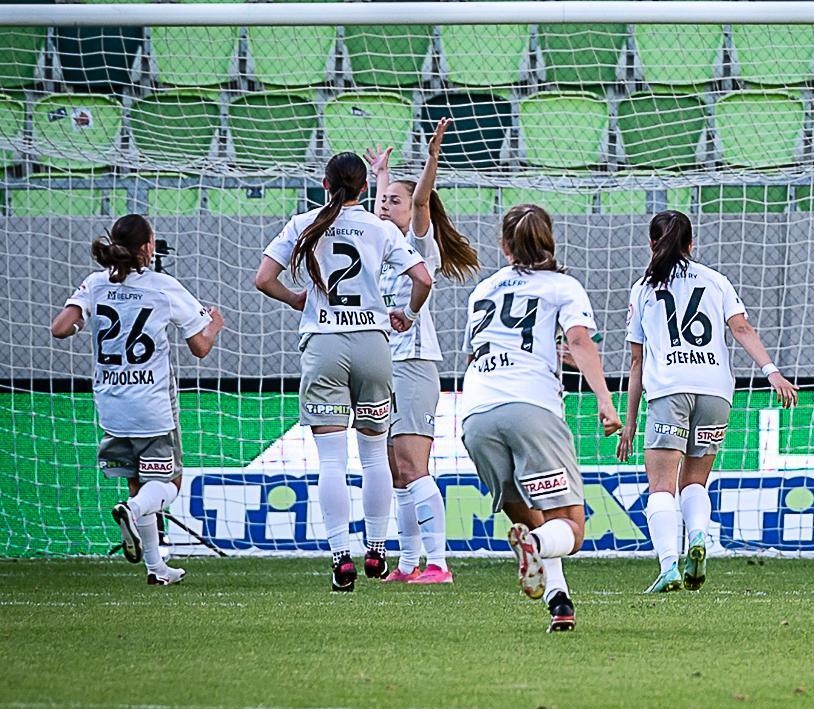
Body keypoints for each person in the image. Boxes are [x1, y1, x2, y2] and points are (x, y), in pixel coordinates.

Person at [255, 152, 433, 592]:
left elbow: (263, 279)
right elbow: (424, 279)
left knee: (332, 460)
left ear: (325, 183)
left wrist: (295, 298)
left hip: (324, 345)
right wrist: (409, 315)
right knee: (374, 456)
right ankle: (377, 548)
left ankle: (340, 558)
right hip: (373, 345)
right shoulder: (380, 228)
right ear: (364, 189)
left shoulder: (304, 223)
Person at [616, 211, 797, 594]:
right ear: (691, 244)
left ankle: (669, 565)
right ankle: (697, 536)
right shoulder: (716, 281)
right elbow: (742, 328)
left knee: (661, 486)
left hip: (669, 390)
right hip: (716, 391)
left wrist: (629, 421)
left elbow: (636, 361)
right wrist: (772, 372)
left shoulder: (643, 289)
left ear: (651, 244)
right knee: (695, 481)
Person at [460, 204, 621, 631]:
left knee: (532, 516)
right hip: (530, 408)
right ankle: (533, 544)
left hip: (475, 414)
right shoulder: (562, 286)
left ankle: (558, 600)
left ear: (504, 245)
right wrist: (605, 401)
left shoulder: (483, 290)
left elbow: (484, 352)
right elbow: (580, 341)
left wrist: (549, 352)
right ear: (550, 241)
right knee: (570, 528)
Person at [50, 214, 226, 585]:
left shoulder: (95, 284)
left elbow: (60, 328)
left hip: (111, 405)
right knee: (168, 485)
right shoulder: (162, 286)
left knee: (137, 483)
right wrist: (214, 325)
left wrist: (83, 319)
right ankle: (131, 512)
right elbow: (200, 348)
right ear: (147, 247)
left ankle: (156, 568)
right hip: (152, 406)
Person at [368, 119, 481, 585]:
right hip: (381, 363)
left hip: (412, 363)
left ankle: (439, 563)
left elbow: (418, 202)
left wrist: (431, 160)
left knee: (414, 465)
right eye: (382, 200)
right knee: (396, 470)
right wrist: (380, 175)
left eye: (393, 200)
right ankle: (407, 563)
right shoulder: (377, 245)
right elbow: (385, 204)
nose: (384, 205)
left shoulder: (417, 241)